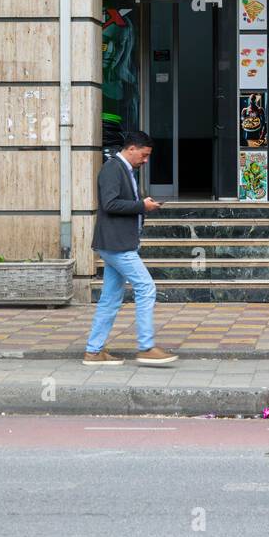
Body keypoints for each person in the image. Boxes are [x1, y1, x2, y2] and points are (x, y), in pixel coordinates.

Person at [84, 131, 177, 366]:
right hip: (117, 245)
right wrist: (142, 206)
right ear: (132, 148)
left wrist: (142, 206)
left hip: (118, 243)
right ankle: (146, 347)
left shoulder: (124, 169)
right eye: (144, 155)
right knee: (146, 288)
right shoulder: (112, 169)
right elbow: (110, 203)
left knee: (110, 299)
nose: (145, 160)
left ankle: (94, 352)